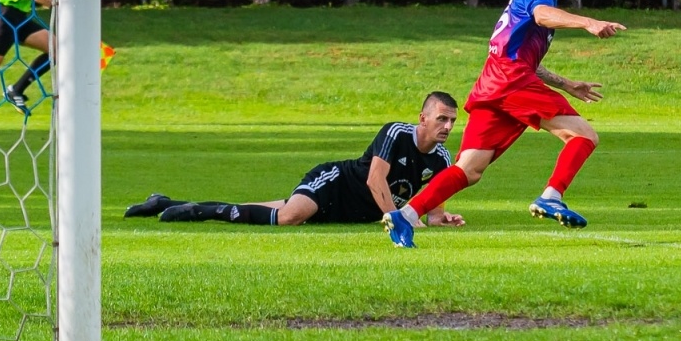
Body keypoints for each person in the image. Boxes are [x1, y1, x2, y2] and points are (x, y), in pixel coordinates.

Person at [381, 0, 626, 248]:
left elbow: (523, 53)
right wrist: (588, 22)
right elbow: (541, 16)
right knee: (584, 136)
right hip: (511, 79)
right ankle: (551, 197)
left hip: (495, 82)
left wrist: (565, 84)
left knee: (469, 170)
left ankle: (406, 215)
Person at [125, 92, 465, 228]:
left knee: (276, 209)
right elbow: (375, 179)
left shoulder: (442, 158)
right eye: (441, 119)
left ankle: (167, 203)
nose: (448, 126)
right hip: (335, 185)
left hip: (349, 212)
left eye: (452, 121)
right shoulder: (396, 133)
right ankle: (201, 213)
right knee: (290, 217)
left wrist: (442, 218)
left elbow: (432, 209)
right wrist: (397, 220)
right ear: (422, 118)